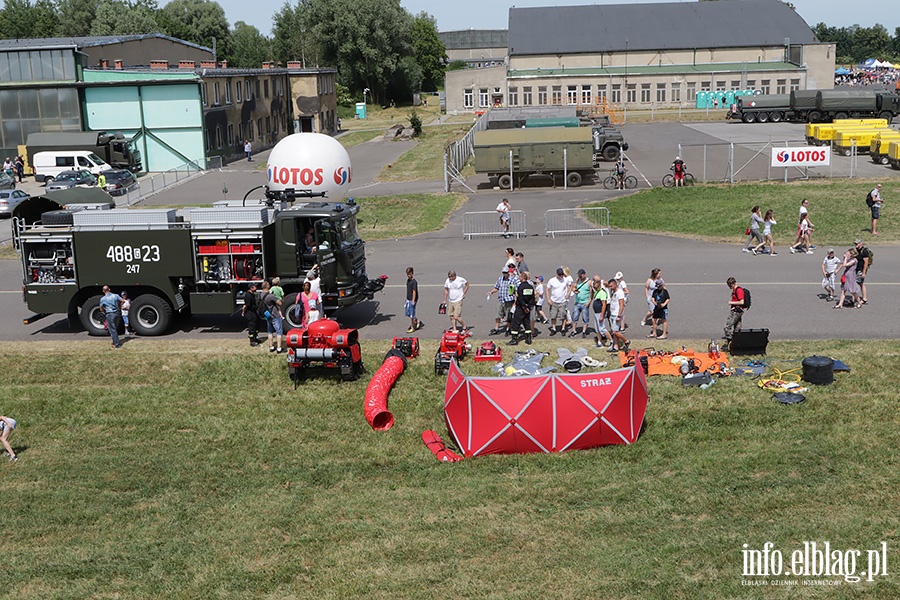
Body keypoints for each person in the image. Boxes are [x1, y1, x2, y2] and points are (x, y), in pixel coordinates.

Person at [487, 266, 519, 335]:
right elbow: (496, 288)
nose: (504, 274)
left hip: (509, 300)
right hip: (501, 300)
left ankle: (508, 329)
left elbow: (516, 291)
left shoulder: (513, 279)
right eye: (503, 272)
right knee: (498, 315)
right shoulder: (500, 279)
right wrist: (491, 292)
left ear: (508, 272)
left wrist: (515, 301)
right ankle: (496, 328)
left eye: (506, 272)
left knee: (508, 316)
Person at [508, 271, 535, 345]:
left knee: (516, 324)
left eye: (520, 277)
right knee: (527, 324)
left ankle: (514, 339)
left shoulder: (521, 287)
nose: (519, 278)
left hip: (520, 308)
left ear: (522, 278)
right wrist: (528, 307)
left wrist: (524, 306)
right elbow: (532, 298)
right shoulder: (530, 287)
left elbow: (520, 298)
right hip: (528, 309)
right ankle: (528, 339)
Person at [606, 277, 629, 353]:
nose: (610, 288)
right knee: (614, 331)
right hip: (613, 313)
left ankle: (626, 341)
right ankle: (616, 346)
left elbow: (622, 305)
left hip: (617, 314)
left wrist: (619, 315)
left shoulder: (620, 292)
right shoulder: (613, 292)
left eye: (612, 286)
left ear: (615, 285)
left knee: (615, 331)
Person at [261, 281, 285, 353]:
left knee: (270, 331)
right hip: (274, 315)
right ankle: (279, 348)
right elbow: (279, 303)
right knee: (279, 331)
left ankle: (271, 346)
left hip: (267, 315)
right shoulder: (270, 296)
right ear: (267, 286)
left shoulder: (261, 295)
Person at [546, 267, 570, 336]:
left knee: (563, 315)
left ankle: (563, 328)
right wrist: (548, 299)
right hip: (554, 301)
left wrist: (568, 293)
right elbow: (547, 289)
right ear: (557, 274)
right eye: (559, 275)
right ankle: (554, 328)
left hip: (562, 301)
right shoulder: (552, 280)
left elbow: (571, 286)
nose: (561, 276)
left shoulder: (565, 280)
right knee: (553, 316)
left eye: (562, 275)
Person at [569, 269, 593, 338]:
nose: (580, 276)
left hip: (585, 303)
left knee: (585, 318)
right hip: (577, 302)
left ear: (584, 274)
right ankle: (574, 330)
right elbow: (573, 287)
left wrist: (589, 302)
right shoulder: (577, 280)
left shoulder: (589, 282)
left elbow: (592, 293)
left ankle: (584, 331)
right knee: (575, 317)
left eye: (581, 275)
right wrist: (574, 291)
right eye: (579, 275)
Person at [723, 277, 746, 342]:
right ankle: (737, 343)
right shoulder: (735, 290)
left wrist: (731, 302)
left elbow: (742, 302)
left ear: (734, 283)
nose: (730, 287)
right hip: (736, 311)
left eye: (730, 285)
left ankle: (731, 342)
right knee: (737, 329)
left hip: (736, 311)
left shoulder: (739, 290)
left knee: (727, 327)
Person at [591, 276, 610, 348]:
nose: (594, 287)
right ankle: (599, 342)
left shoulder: (602, 292)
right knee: (597, 329)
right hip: (596, 313)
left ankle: (611, 341)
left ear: (598, 284)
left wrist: (602, 315)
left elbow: (604, 304)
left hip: (600, 313)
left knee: (602, 328)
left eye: (595, 285)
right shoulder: (597, 292)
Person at [854, 239, 872, 305]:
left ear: (861, 243)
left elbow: (866, 263)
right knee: (861, 284)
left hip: (861, 270)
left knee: (855, 283)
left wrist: (864, 272)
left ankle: (854, 299)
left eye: (857, 244)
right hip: (857, 269)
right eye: (855, 244)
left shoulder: (864, 251)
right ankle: (865, 299)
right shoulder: (857, 250)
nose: (856, 245)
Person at [405, 266, 420, 333]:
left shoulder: (414, 282)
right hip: (408, 299)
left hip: (412, 300)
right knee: (407, 313)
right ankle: (416, 320)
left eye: (409, 274)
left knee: (412, 315)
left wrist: (413, 300)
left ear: (412, 273)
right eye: (407, 274)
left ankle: (413, 327)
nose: (408, 275)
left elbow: (414, 291)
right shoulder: (408, 281)